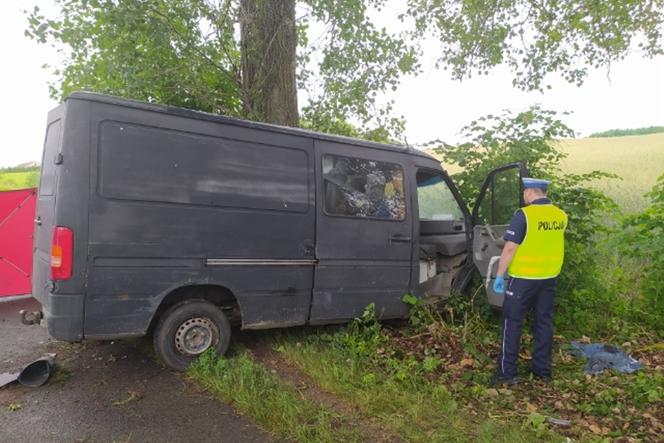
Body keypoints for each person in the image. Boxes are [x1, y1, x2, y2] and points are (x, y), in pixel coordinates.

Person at [490, 177, 568, 386]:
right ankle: (542, 371)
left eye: (525, 191)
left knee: (512, 323)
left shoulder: (524, 215)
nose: (524, 195)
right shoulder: (560, 215)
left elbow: (510, 247)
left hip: (523, 280)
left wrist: (499, 274)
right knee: (543, 323)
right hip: (549, 278)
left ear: (530, 192)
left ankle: (507, 374)